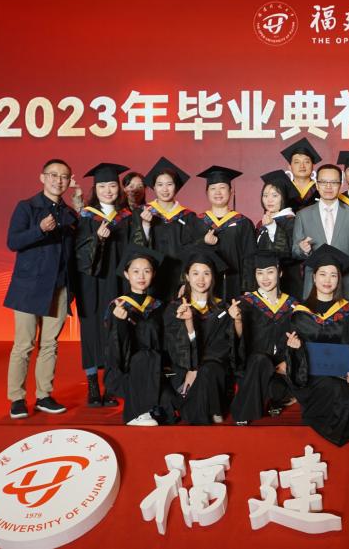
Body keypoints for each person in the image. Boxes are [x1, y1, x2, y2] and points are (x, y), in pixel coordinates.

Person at [4, 158, 78, 419]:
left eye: (64, 176)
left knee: (50, 345)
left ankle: (44, 395)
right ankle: (17, 398)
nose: (59, 180)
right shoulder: (27, 207)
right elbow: (13, 242)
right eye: (54, 175)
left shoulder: (70, 213)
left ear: (69, 182)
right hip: (29, 287)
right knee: (24, 344)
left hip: (58, 287)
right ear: (42, 177)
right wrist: (39, 229)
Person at [286, 245, 349, 446]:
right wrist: (294, 348)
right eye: (322, 274)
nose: (327, 280)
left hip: (343, 374)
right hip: (311, 377)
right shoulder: (300, 313)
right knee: (333, 388)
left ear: (339, 279)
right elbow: (294, 359)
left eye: (333, 275)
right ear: (314, 277)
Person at [73, 162, 134, 408]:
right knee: (90, 331)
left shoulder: (127, 217)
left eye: (112, 186)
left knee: (115, 330)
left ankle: (111, 385)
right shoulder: (86, 217)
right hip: (91, 283)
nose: (107, 191)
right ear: (95, 189)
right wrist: (96, 239)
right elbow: (78, 253)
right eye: (102, 186)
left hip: (118, 282)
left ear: (119, 189)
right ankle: (92, 386)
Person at [164, 247, 236, 425]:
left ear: (213, 277)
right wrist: (191, 367)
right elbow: (174, 348)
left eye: (206, 273)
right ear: (187, 277)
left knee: (209, 369)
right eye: (195, 273)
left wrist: (197, 368)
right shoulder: (175, 308)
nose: (201, 279)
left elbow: (225, 348)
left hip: (213, 370)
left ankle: (209, 409)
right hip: (184, 368)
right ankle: (211, 409)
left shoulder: (224, 309)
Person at [230, 252, 301, 424]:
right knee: (259, 360)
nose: (265, 278)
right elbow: (236, 341)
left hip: (281, 368)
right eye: (259, 272)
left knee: (278, 389)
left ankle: (278, 398)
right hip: (254, 368)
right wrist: (237, 320)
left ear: (280, 273)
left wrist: (288, 361)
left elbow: (299, 339)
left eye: (270, 272)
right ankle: (243, 415)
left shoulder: (293, 305)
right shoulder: (245, 303)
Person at [105, 245, 166, 426]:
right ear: (126, 274)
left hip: (156, 363)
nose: (141, 276)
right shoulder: (118, 305)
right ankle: (138, 412)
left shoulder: (159, 305)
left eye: (147, 271)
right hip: (130, 364)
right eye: (136, 271)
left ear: (153, 274)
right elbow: (114, 343)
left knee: (170, 412)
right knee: (143, 358)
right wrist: (119, 322)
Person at [133, 157, 204, 302]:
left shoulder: (188, 217)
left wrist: (187, 282)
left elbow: (193, 252)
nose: (165, 189)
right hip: (149, 279)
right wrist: (145, 225)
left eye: (169, 184)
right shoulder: (141, 213)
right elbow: (135, 249)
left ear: (176, 187)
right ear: (154, 187)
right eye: (160, 184)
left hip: (178, 280)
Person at [292, 164, 349, 303]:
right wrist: (303, 250)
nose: (328, 186)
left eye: (333, 182)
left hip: (345, 285)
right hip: (313, 287)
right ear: (317, 185)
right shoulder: (303, 215)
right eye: (323, 182)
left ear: (340, 185)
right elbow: (295, 251)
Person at [196, 165, 258, 301]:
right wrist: (203, 242)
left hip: (235, 285)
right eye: (213, 188)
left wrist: (248, 288)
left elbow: (250, 258)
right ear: (206, 192)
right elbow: (190, 253)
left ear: (231, 191)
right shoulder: (197, 222)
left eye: (222, 187)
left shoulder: (243, 223)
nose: (218, 192)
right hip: (204, 286)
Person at [256, 171, 303, 299]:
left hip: (288, 283)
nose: (269, 200)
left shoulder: (292, 221)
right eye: (265, 195)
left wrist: (272, 227)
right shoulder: (261, 223)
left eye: (275, 195)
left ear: (284, 198)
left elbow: (287, 253)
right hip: (264, 284)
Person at [282, 137, 321, 209]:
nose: (302, 166)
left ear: (313, 166)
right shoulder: (282, 192)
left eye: (306, 162)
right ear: (290, 167)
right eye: (297, 162)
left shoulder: (322, 190)